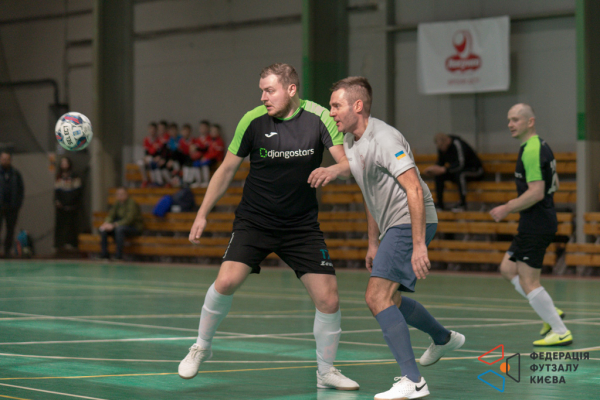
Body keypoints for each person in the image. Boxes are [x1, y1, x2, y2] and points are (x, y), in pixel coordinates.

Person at [178, 63, 359, 391]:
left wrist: (334, 170)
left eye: (270, 90)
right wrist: (202, 212)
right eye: (262, 90)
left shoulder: (319, 117)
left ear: (291, 89)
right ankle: (201, 346)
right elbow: (226, 169)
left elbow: (347, 163)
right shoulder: (252, 121)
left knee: (329, 299)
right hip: (255, 221)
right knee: (226, 281)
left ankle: (326, 371)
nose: (263, 97)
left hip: (301, 226)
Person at [329, 77, 465, 400]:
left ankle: (413, 381)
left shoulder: (385, 138)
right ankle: (443, 338)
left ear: (357, 106)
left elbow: (414, 188)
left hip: (411, 219)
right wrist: (373, 241)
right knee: (392, 299)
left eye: (336, 105)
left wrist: (418, 245)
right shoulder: (350, 142)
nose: (331, 112)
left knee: (377, 297)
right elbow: (370, 193)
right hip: (391, 225)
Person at [490, 103, 571, 346]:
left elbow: (536, 192)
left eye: (515, 119)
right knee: (507, 269)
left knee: (528, 281)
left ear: (530, 122)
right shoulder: (539, 145)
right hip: (533, 221)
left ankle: (560, 330)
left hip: (536, 223)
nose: (510, 124)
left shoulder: (532, 150)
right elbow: (555, 182)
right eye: (509, 120)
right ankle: (550, 311)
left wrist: (507, 207)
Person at [423, 133, 483, 211]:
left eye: (442, 146)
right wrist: (433, 169)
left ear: (447, 141)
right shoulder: (442, 148)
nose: (441, 149)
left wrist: (444, 169)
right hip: (456, 171)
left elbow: (460, 164)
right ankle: (439, 205)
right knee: (439, 176)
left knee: (460, 175)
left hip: (474, 170)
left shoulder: (457, 144)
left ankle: (463, 204)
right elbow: (440, 163)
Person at [99, 187, 143, 260]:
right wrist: (106, 223)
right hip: (119, 226)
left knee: (119, 230)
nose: (120, 196)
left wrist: (114, 225)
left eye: (122, 194)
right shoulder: (117, 203)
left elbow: (129, 219)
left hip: (133, 227)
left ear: (126, 194)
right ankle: (104, 255)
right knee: (103, 230)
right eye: (118, 194)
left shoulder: (131, 203)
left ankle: (118, 256)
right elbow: (111, 215)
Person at [54, 156, 82, 251]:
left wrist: (69, 202)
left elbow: (77, 192)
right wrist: (58, 201)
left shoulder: (75, 176)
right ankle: (60, 244)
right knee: (61, 226)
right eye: (62, 163)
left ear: (69, 164)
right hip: (61, 207)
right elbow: (57, 191)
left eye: (65, 162)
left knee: (72, 226)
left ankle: (72, 244)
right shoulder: (58, 177)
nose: (64, 165)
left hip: (72, 206)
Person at [0, 151, 24, 258]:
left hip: (12, 207)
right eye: (3, 159)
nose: (5, 161)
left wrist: (17, 204)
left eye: (7, 159)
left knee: (10, 230)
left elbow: (21, 190)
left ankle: (7, 251)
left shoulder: (15, 173)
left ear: (10, 160)